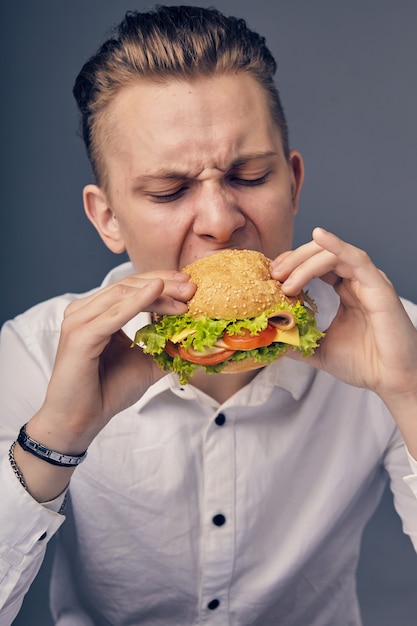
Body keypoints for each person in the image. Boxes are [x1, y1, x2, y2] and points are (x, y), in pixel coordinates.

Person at [1, 5, 417, 625]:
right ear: (107, 217)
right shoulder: (35, 351)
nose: (220, 222)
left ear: (294, 184)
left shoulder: (393, 337)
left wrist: (409, 390)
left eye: (249, 175)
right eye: (169, 192)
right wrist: (54, 442)